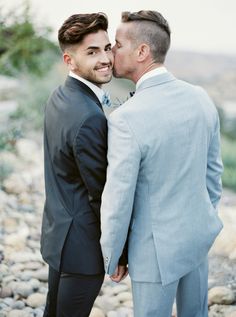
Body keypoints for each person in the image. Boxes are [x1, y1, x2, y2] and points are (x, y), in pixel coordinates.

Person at [100, 10, 223, 317]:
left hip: (152, 252)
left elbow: (118, 198)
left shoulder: (126, 118)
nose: (111, 51)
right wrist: (203, 223)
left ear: (142, 52)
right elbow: (213, 175)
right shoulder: (200, 97)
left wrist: (112, 255)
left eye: (117, 44)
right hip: (197, 239)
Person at [40, 12, 120, 317]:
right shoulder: (89, 117)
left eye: (107, 47)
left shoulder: (59, 97)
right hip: (82, 251)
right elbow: (103, 195)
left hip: (58, 238)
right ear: (69, 60)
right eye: (92, 52)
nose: (105, 59)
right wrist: (119, 252)